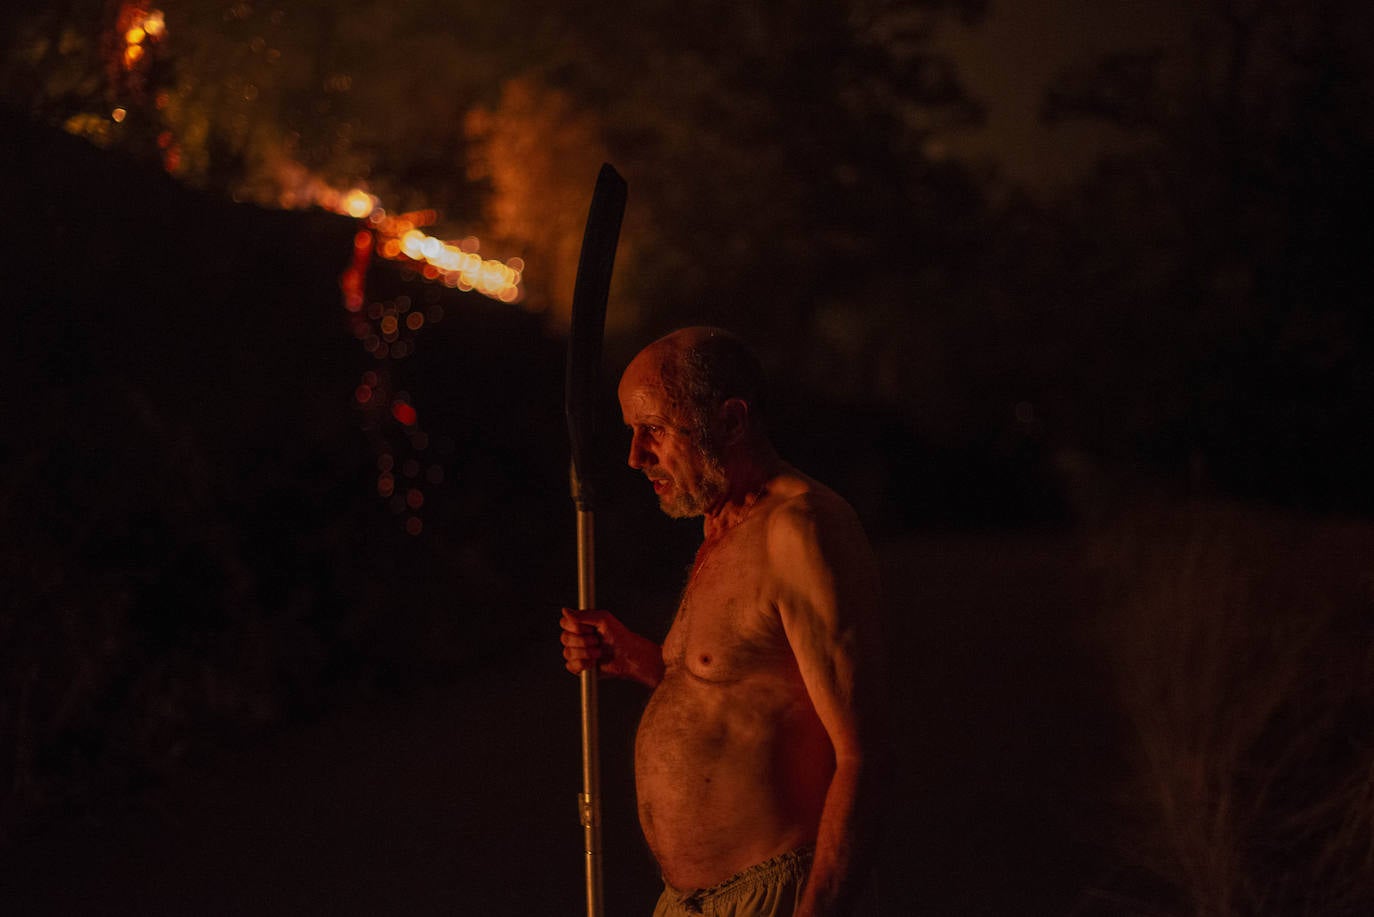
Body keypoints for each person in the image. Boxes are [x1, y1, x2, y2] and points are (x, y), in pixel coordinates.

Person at [560, 327, 885, 917]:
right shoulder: (722, 528)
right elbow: (747, 697)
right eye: (631, 433)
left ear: (732, 422)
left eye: (654, 430)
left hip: (769, 897)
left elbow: (865, 755)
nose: (635, 457)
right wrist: (642, 661)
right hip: (688, 903)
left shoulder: (800, 529)